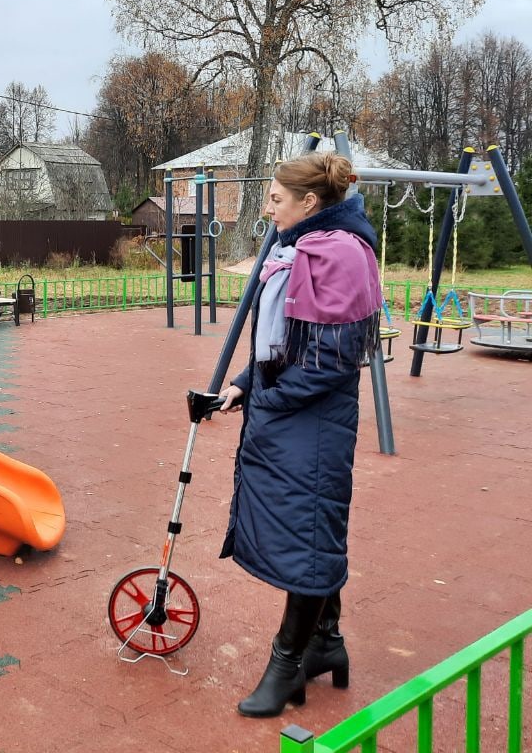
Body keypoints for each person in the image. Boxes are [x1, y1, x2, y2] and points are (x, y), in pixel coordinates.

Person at [218, 152, 382, 718]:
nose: (266, 207)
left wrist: (267, 399)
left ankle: (287, 663)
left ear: (310, 203)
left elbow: (332, 361)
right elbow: (282, 339)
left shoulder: (339, 255)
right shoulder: (302, 245)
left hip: (310, 423)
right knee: (309, 532)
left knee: (308, 542)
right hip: (290, 416)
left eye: (274, 198)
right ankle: (325, 643)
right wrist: (245, 383)